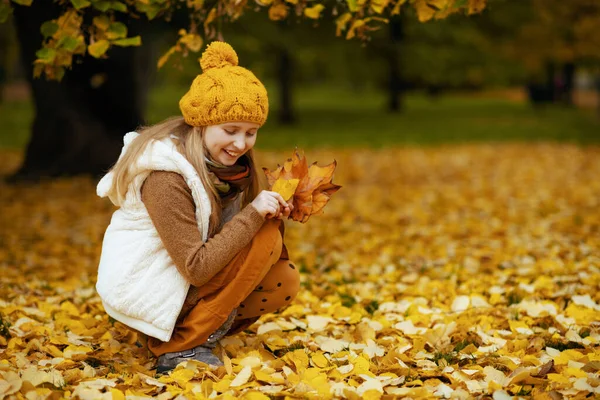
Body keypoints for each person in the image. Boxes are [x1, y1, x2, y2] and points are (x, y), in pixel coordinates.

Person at [95, 41, 301, 373]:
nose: (240, 144)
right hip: (146, 286)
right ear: (200, 123)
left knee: (281, 277)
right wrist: (253, 214)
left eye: (251, 133)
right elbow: (197, 267)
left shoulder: (226, 169)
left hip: (176, 278)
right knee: (263, 240)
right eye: (230, 130)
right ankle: (179, 347)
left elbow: (226, 238)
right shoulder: (166, 177)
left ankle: (193, 334)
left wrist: (271, 212)